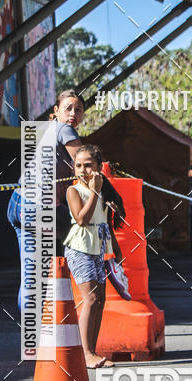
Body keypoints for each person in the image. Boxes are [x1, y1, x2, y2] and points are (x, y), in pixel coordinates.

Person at [6, 89, 85, 308]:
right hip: (37, 206)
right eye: (68, 108)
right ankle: (94, 278)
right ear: (56, 111)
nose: (73, 113)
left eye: (78, 110)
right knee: (86, 229)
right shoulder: (64, 129)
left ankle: (31, 329)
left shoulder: (51, 130)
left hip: (19, 203)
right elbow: (85, 165)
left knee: (31, 277)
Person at [64, 144, 125, 368]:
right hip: (80, 248)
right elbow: (82, 219)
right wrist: (95, 192)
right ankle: (85, 353)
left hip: (98, 249)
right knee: (90, 299)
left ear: (99, 166)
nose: (82, 170)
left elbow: (105, 223)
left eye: (88, 165)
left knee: (100, 300)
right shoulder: (74, 191)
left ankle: (93, 350)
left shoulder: (103, 191)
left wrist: (116, 250)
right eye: (78, 165)